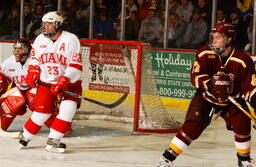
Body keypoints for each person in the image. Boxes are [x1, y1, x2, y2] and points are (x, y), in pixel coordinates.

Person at [157, 22, 256, 167]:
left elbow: (251, 89)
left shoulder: (243, 61)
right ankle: (167, 159)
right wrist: (212, 85)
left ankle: (244, 160)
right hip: (207, 97)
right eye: (213, 37)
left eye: (218, 37)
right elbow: (195, 76)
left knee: (242, 123)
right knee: (192, 126)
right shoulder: (204, 53)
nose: (213, 41)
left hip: (232, 100)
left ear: (229, 39)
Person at [19, 11, 82, 153]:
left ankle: (54, 140)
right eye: (44, 24)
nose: (46, 27)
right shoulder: (40, 39)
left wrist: (65, 78)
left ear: (58, 25)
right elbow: (34, 59)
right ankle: (26, 136)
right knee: (42, 113)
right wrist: (33, 70)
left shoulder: (71, 39)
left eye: (50, 24)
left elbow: (76, 65)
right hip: (46, 83)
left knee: (68, 110)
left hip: (70, 83)